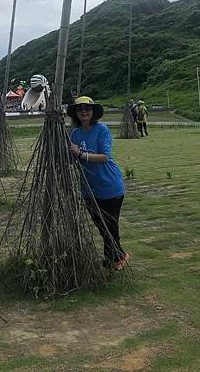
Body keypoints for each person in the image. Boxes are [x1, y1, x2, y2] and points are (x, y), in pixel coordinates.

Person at [67, 96, 129, 270]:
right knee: (101, 226)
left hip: (110, 186)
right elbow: (74, 158)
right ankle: (117, 256)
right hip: (89, 188)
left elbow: (104, 156)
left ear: (93, 111)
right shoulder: (75, 133)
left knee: (110, 225)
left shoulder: (102, 130)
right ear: (76, 114)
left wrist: (81, 154)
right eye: (80, 109)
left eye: (87, 108)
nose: (84, 111)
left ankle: (113, 259)